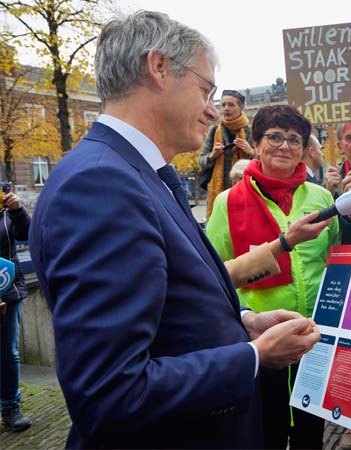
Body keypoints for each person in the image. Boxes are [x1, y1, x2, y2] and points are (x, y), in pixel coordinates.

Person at [28, 11, 320, 449]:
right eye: (205, 89)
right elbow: (110, 393)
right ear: (159, 68)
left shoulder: (135, 173)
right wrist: (253, 358)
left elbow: (173, 302)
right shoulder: (102, 184)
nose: (210, 110)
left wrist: (244, 323)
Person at [206, 104, 339, 450]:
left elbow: (333, 259)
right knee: (268, 430)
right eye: (275, 137)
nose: (285, 146)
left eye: (294, 140)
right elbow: (214, 274)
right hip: (262, 338)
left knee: (312, 430)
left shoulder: (322, 197)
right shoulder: (227, 202)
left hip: (314, 336)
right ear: (256, 142)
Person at [0, 187, 31, 432]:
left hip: (7, 288)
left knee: (8, 352)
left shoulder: (7, 210)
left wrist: (18, 210)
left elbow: (27, 233)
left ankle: (10, 406)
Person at [199, 89, 255, 219]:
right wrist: (212, 155)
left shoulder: (250, 131)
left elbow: (264, 161)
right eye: (223, 105)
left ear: (241, 107)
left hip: (246, 191)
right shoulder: (214, 131)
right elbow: (201, 160)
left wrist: (251, 151)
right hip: (219, 193)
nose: (226, 108)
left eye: (231, 105)